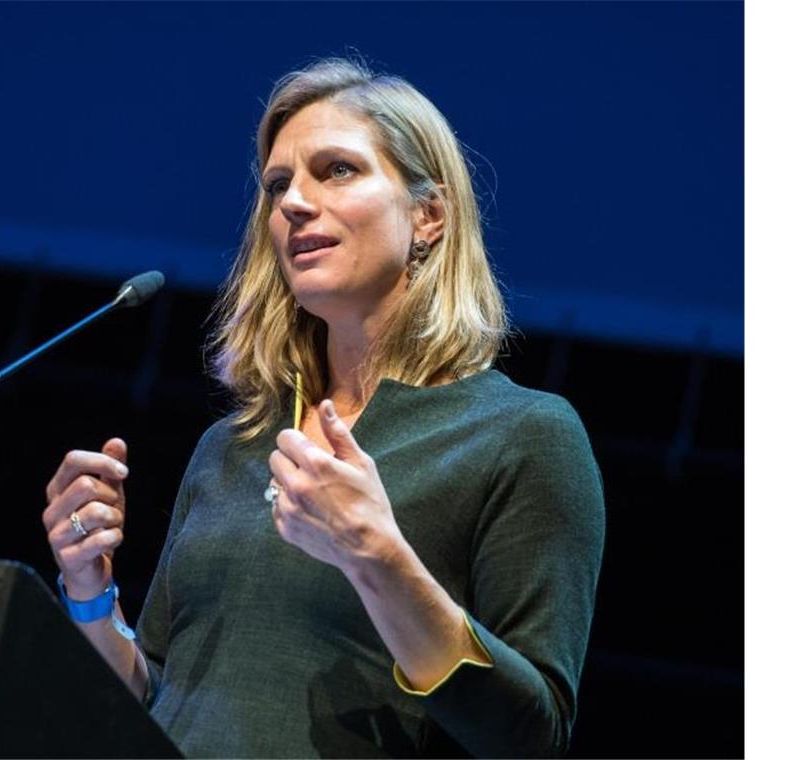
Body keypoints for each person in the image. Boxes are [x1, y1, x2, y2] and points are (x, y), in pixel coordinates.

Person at [41, 57, 604, 758]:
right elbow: (157, 696)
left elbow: (531, 736)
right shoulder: (234, 444)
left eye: (336, 170)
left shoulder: (521, 437)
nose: (293, 203)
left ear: (428, 216)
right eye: (278, 184)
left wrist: (376, 555)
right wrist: (90, 591)